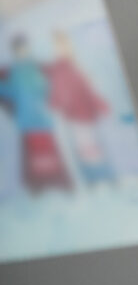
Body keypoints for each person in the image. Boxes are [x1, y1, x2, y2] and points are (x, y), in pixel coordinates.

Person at [0, 34, 71, 192]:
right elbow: (11, 91)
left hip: (42, 119)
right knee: (35, 159)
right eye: (19, 49)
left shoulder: (37, 67)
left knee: (51, 156)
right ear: (15, 51)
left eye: (24, 48)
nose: (22, 52)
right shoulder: (16, 71)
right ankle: (40, 187)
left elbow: (49, 88)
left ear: (28, 48)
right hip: (28, 121)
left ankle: (60, 185)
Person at [46, 31, 115, 186]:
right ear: (55, 48)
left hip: (87, 115)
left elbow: (88, 89)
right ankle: (95, 180)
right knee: (88, 151)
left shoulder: (75, 65)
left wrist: (101, 105)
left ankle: (103, 179)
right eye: (60, 46)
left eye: (65, 45)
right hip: (75, 118)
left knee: (94, 149)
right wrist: (55, 104)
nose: (64, 49)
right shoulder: (58, 69)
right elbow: (56, 93)